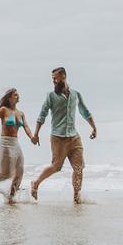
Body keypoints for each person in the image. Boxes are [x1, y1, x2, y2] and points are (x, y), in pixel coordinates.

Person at [31, 66, 96, 201]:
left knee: (79, 167)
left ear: (63, 77)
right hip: (58, 138)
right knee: (56, 167)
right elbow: (42, 115)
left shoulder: (75, 94)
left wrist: (94, 127)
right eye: (52, 79)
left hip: (74, 137)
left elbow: (85, 111)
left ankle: (76, 196)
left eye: (55, 78)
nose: (53, 81)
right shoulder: (51, 96)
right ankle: (35, 183)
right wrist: (36, 134)